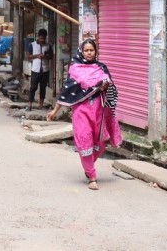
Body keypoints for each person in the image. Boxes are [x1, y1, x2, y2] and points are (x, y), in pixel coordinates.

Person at [47, 39, 122, 191]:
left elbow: (110, 88)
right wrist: (55, 111)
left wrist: (105, 86)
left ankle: (88, 166)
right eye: (86, 50)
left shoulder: (101, 68)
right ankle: (92, 176)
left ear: (96, 51)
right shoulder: (75, 68)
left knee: (100, 144)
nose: (89, 53)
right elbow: (66, 91)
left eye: (91, 50)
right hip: (81, 111)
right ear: (81, 51)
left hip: (99, 111)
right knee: (85, 141)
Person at [27, 29, 51, 111]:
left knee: (43, 87)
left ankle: (41, 105)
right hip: (35, 69)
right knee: (33, 87)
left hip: (45, 70)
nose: (42, 40)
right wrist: (37, 56)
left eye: (43, 39)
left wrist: (46, 56)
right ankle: (29, 104)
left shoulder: (48, 46)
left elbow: (51, 57)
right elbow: (28, 56)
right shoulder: (32, 45)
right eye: (41, 38)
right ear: (38, 37)